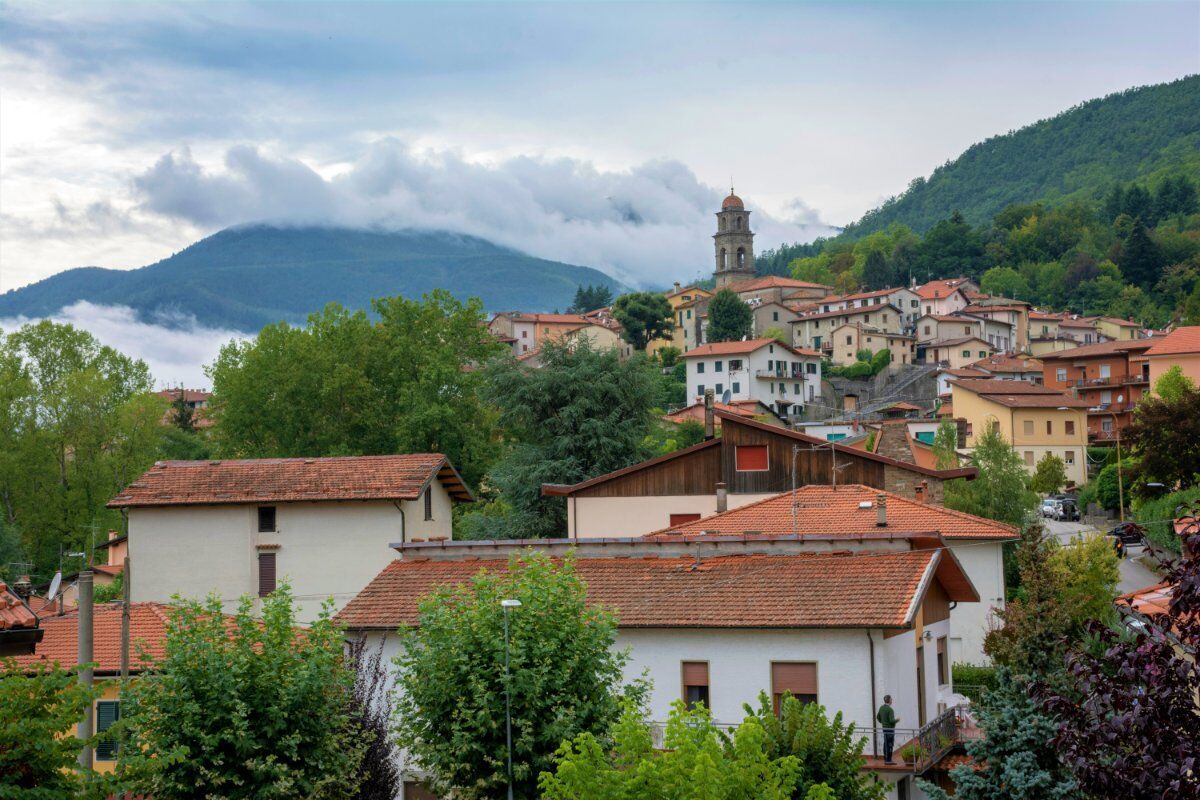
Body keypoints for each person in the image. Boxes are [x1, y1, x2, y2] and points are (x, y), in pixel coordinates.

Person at [877, 695, 899, 764]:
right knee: (890, 744)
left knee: (885, 743)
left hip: (884, 728)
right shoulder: (890, 710)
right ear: (889, 700)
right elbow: (891, 721)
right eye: (891, 699)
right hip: (890, 729)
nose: (892, 700)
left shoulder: (881, 708)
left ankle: (885, 759)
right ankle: (889, 760)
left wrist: (883, 722)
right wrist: (897, 720)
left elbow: (878, 717)